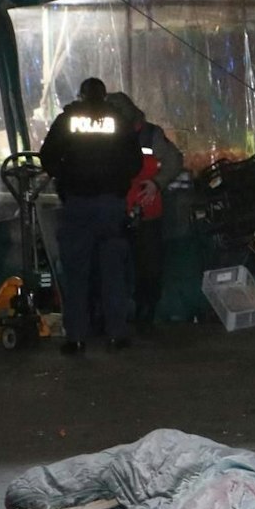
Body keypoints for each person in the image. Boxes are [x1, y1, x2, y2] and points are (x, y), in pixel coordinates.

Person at [39, 77, 143, 355]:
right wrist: (115, 180)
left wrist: (67, 176)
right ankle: (116, 334)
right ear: (104, 95)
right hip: (110, 205)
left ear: (81, 95)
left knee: (76, 272)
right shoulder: (118, 121)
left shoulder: (69, 120)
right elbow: (135, 163)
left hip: (77, 204)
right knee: (113, 271)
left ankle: (76, 337)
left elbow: (47, 156)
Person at [105, 92, 184, 331]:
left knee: (148, 265)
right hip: (115, 209)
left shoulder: (151, 135)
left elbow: (174, 161)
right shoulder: (108, 136)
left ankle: (145, 311)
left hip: (146, 209)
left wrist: (157, 183)